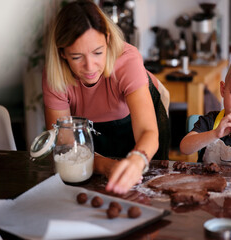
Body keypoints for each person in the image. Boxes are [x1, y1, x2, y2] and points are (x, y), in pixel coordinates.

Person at [42, 0, 170, 194]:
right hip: (91, 132)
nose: (90, 66)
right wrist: (107, 166)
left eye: (98, 52)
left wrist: (137, 159)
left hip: (138, 123)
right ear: (62, 53)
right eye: (77, 57)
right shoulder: (54, 74)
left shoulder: (127, 59)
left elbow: (147, 132)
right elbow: (67, 146)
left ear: (108, 40)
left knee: (147, 188)